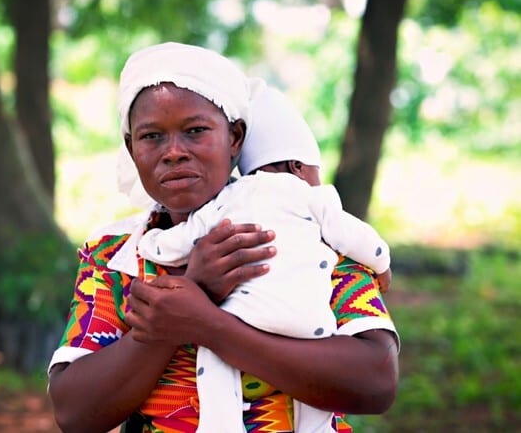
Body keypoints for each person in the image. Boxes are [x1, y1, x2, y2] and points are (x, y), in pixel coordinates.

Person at [47, 42, 399, 433]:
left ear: (234, 137)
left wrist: (208, 324)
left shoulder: (307, 234)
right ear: (131, 148)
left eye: (195, 131)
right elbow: (74, 412)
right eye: (151, 137)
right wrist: (187, 295)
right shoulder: (117, 256)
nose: (174, 152)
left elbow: (375, 382)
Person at [135, 81, 392, 432]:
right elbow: (357, 235)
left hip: (244, 314)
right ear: (298, 166)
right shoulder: (315, 202)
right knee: (315, 414)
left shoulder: (227, 203)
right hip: (309, 330)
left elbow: (181, 239)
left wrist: (151, 244)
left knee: (217, 383)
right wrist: (382, 264)